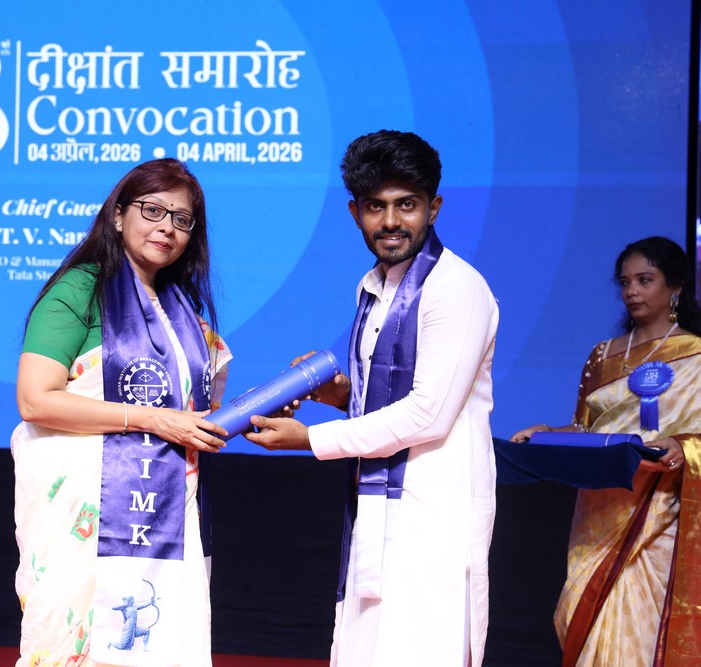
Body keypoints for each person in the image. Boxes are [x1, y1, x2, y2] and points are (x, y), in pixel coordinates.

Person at [245, 130, 499, 666]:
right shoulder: (374, 286)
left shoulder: (455, 287)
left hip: (435, 511)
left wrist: (310, 439)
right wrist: (343, 394)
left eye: (406, 205)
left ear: (433, 208)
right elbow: (392, 397)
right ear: (355, 212)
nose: (390, 221)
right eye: (375, 206)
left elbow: (428, 414)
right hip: (377, 505)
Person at [11, 158, 231, 667]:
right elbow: (35, 400)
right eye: (152, 210)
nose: (166, 227)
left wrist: (266, 408)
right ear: (117, 215)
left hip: (165, 509)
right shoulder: (80, 289)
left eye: (181, 219)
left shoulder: (182, 309)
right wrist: (150, 419)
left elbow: (196, 411)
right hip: (85, 507)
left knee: (162, 639)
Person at [511, 237, 701, 665]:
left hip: (659, 516)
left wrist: (682, 446)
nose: (632, 291)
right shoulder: (603, 355)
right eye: (625, 282)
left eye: (645, 280)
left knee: (643, 623)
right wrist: (547, 433)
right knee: (584, 606)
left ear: (675, 288)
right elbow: (585, 428)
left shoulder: (697, 356)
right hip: (600, 511)